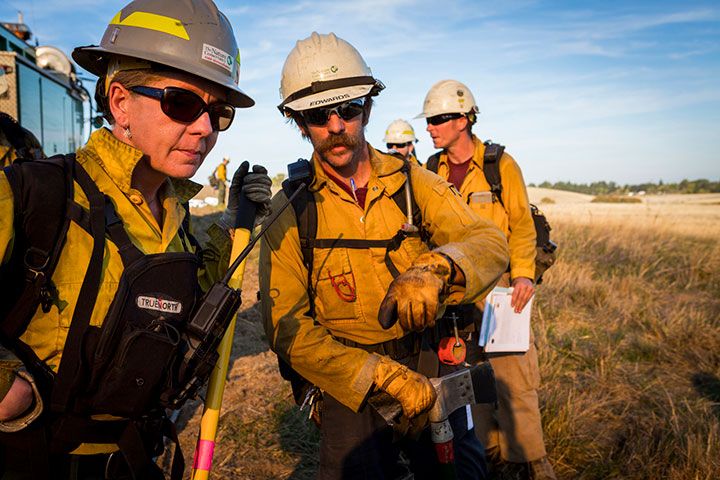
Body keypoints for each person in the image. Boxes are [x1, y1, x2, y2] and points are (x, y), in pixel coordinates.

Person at [0, 0, 271, 478]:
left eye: (218, 111)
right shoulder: (32, 194)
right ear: (120, 102)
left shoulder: (180, 223)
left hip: (133, 460)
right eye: (182, 103)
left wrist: (234, 222)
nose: (205, 128)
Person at [260, 32, 510, 480]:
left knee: (459, 473)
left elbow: (489, 242)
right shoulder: (291, 209)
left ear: (368, 108)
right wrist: (379, 375)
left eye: (349, 109)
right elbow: (285, 326)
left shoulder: (414, 184)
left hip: (428, 357)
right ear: (298, 122)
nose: (336, 125)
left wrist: (438, 268)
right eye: (318, 114)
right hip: (349, 377)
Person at [417, 79, 556, 480]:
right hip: (455, 300)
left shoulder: (500, 165)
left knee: (515, 384)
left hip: (500, 297)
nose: (430, 128)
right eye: (429, 120)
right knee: (466, 385)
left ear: (464, 119)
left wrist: (524, 277)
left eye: (439, 119)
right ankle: (488, 459)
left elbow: (522, 227)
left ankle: (532, 466)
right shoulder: (431, 170)